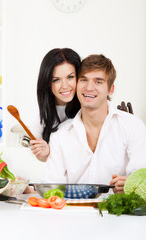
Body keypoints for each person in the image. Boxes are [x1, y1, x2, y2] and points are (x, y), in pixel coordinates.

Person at [43, 54, 146, 193]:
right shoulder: (60, 135)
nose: (89, 87)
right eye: (84, 80)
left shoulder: (133, 126)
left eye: (98, 82)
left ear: (110, 89)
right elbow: (52, 188)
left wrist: (130, 185)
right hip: (73, 211)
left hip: (117, 212)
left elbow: (142, 176)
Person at [29, 48, 81, 162]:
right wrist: (44, 153)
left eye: (70, 77)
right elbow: (43, 159)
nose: (65, 86)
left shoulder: (88, 106)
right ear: (47, 82)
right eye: (56, 80)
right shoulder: (39, 117)